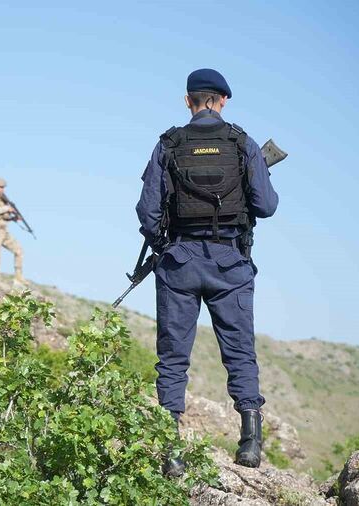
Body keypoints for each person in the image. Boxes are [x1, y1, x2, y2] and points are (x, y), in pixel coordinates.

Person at [136, 69, 279, 475]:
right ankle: (250, 443)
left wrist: (167, 245)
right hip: (230, 264)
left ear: (188, 101)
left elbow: (148, 213)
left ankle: (171, 453)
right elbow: (266, 206)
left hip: (179, 263)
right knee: (239, 352)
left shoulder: (169, 144)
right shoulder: (242, 142)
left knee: (173, 358)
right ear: (223, 100)